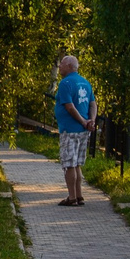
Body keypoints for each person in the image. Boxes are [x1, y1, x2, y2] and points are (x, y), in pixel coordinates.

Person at [53, 54, 96, 207]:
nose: (60, 67)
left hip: (70, 130)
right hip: (83, 131)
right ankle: (79, 195)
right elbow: (92, 104)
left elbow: (69, 107)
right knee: (76, 163)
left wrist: (84, 121)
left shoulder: (66, 83)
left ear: (70, 66)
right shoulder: (85, 82)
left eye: (62, 64)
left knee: (69, 164)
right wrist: (91, 120)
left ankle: (72, 197)